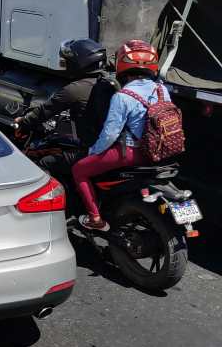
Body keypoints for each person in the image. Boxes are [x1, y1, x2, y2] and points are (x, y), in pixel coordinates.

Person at [72, 39, 168, 232]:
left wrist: (93, 152)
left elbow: (110, 134)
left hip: (133, 152)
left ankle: (95, 218)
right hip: (160, 150)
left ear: (122, 65)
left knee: (79, 170)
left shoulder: (122, 96)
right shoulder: (161, 90)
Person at [13, 39, 117, 177]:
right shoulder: (110, 82)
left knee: (44, 163)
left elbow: (44, 111)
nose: (66, 64)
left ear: (79, 64)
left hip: (91, 148)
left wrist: (23, 121)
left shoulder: (74, 89)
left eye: (68, 61)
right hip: (112, 145)